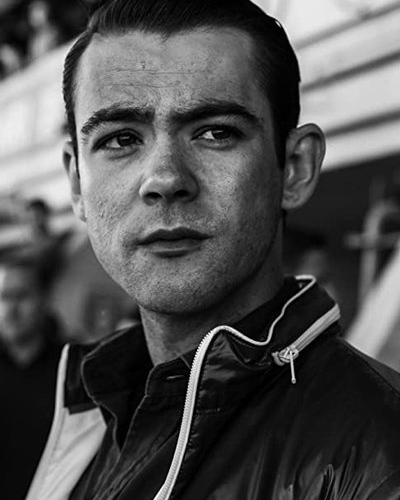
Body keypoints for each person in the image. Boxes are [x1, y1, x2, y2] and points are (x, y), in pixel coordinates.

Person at [28, 0, 400, 499]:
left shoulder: (379, 456)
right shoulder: (86, 408)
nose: (165, 179)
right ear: (77, 182)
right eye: (120, 139)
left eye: (215, 132)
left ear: (294, 168)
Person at [0, 256, 63, 500]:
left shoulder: (71, 370)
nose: (10, 310)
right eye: (3, 297)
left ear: (45, 299)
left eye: (21, 296)